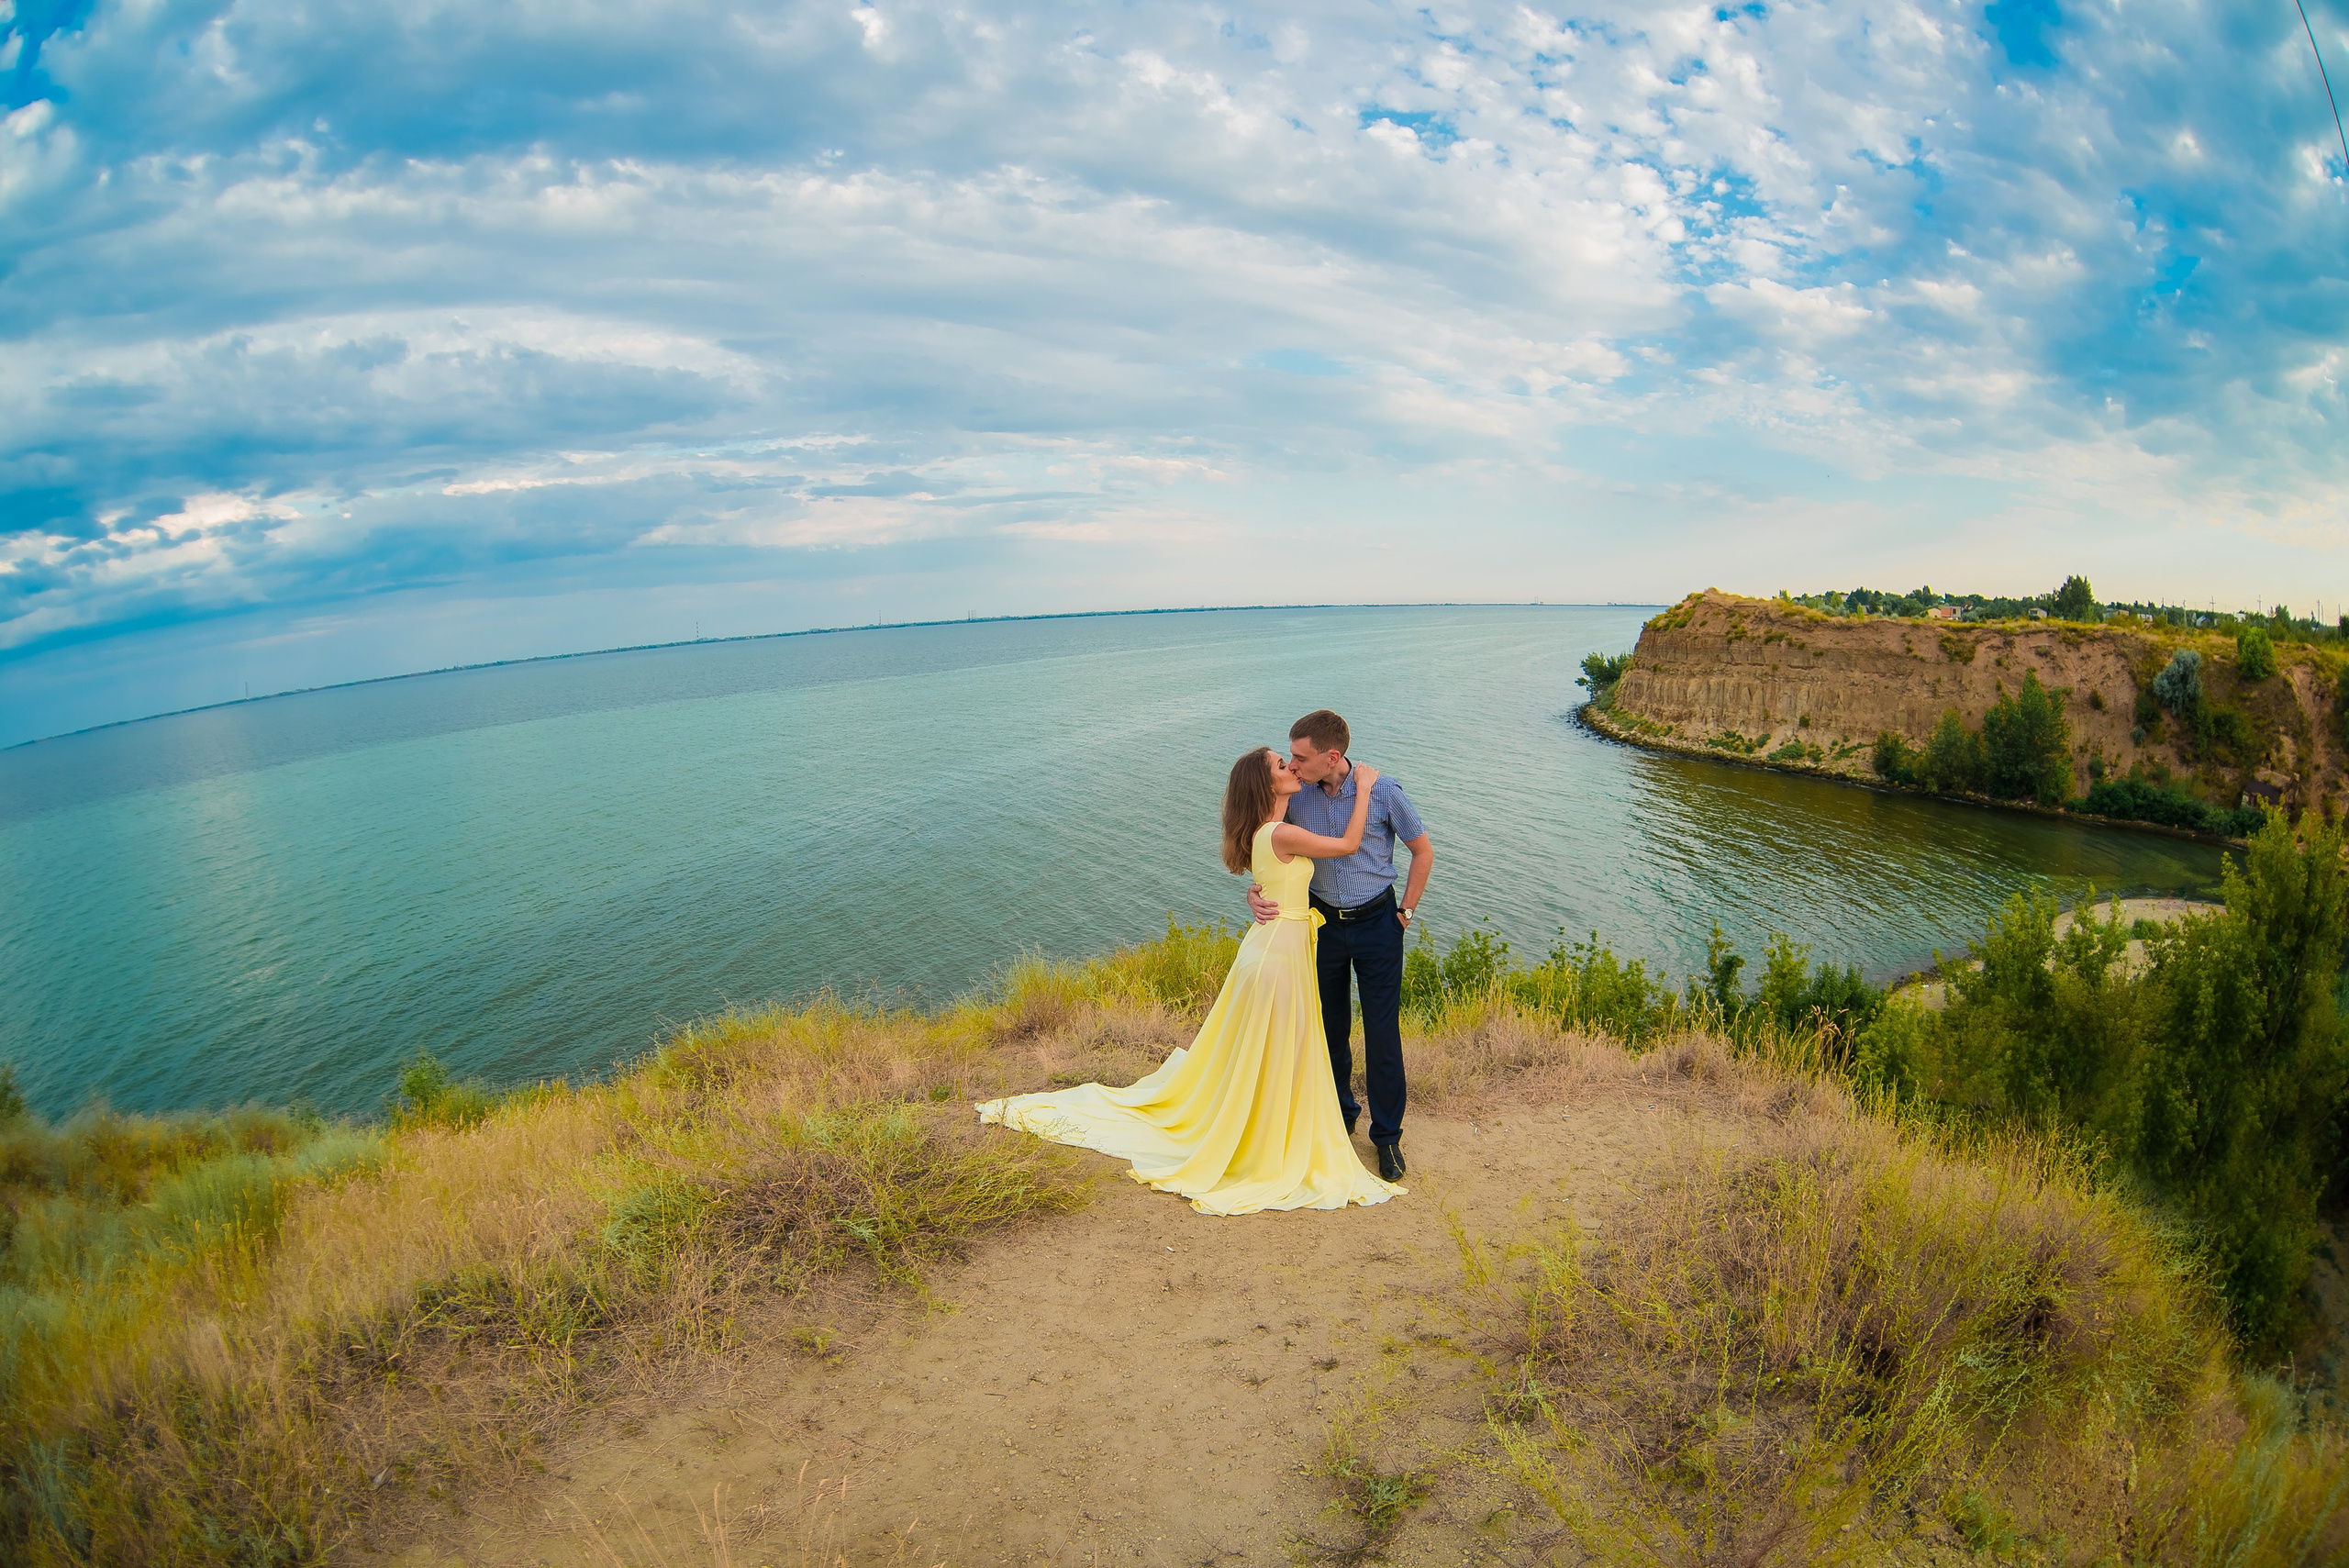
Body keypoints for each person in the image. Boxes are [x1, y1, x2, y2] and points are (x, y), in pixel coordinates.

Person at [976, 748, 1403, 1215]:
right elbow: (1346, 845)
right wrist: (1363, 788)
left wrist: (1257, 890)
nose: (1292, 768)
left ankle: (1274, 1123)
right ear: (1267, 785)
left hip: (1279, 945)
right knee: (1281, 1043)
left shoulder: (1271, 830)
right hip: (1278, 952)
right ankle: (1269, 1133)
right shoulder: (1280, 832)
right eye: (1283, 766)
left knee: (1276, 1045)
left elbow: (1273, 872)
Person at [1246, 710, 1430, 1183]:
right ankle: (1341, 1116)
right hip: (1320, 924)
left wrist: (1405, 913)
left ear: (1332, 756)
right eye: (1289, 757)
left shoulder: (1384, 791)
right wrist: (1256, 890)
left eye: (1300, 757)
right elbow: (1266, 842)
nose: (1292, 765)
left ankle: (1387, 1138)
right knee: (1330, 1029)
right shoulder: (1297, 793)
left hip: (1378, 925)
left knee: (1383, 1036)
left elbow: (1423, 851)